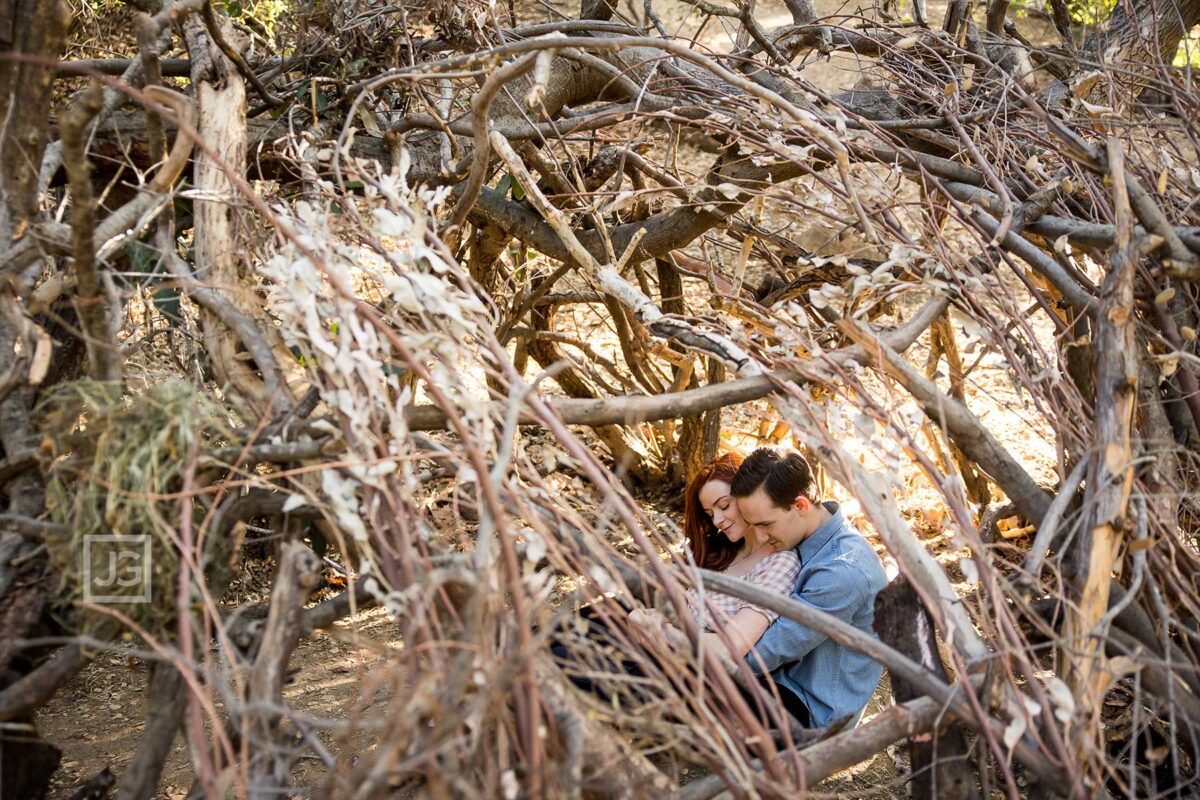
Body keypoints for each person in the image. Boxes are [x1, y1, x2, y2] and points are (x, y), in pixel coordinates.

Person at [626, 452, 812, 724]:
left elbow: (729, 648)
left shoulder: (780, 562)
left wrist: (661, 630)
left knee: (578, 668)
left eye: (724, 505)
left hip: (695, 674)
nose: (717, 521)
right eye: (710, 513)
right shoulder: (725, 551)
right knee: (579, 628)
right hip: (668, 653)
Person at [728, 447, 888, 728]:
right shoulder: (806, 533)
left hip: (809, 711)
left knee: (691, 681)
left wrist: (696, 656)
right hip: (781, 679)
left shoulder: (842, 572)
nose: (761, 537)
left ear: (800, 505)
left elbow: (764, 655)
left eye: (766, 524)